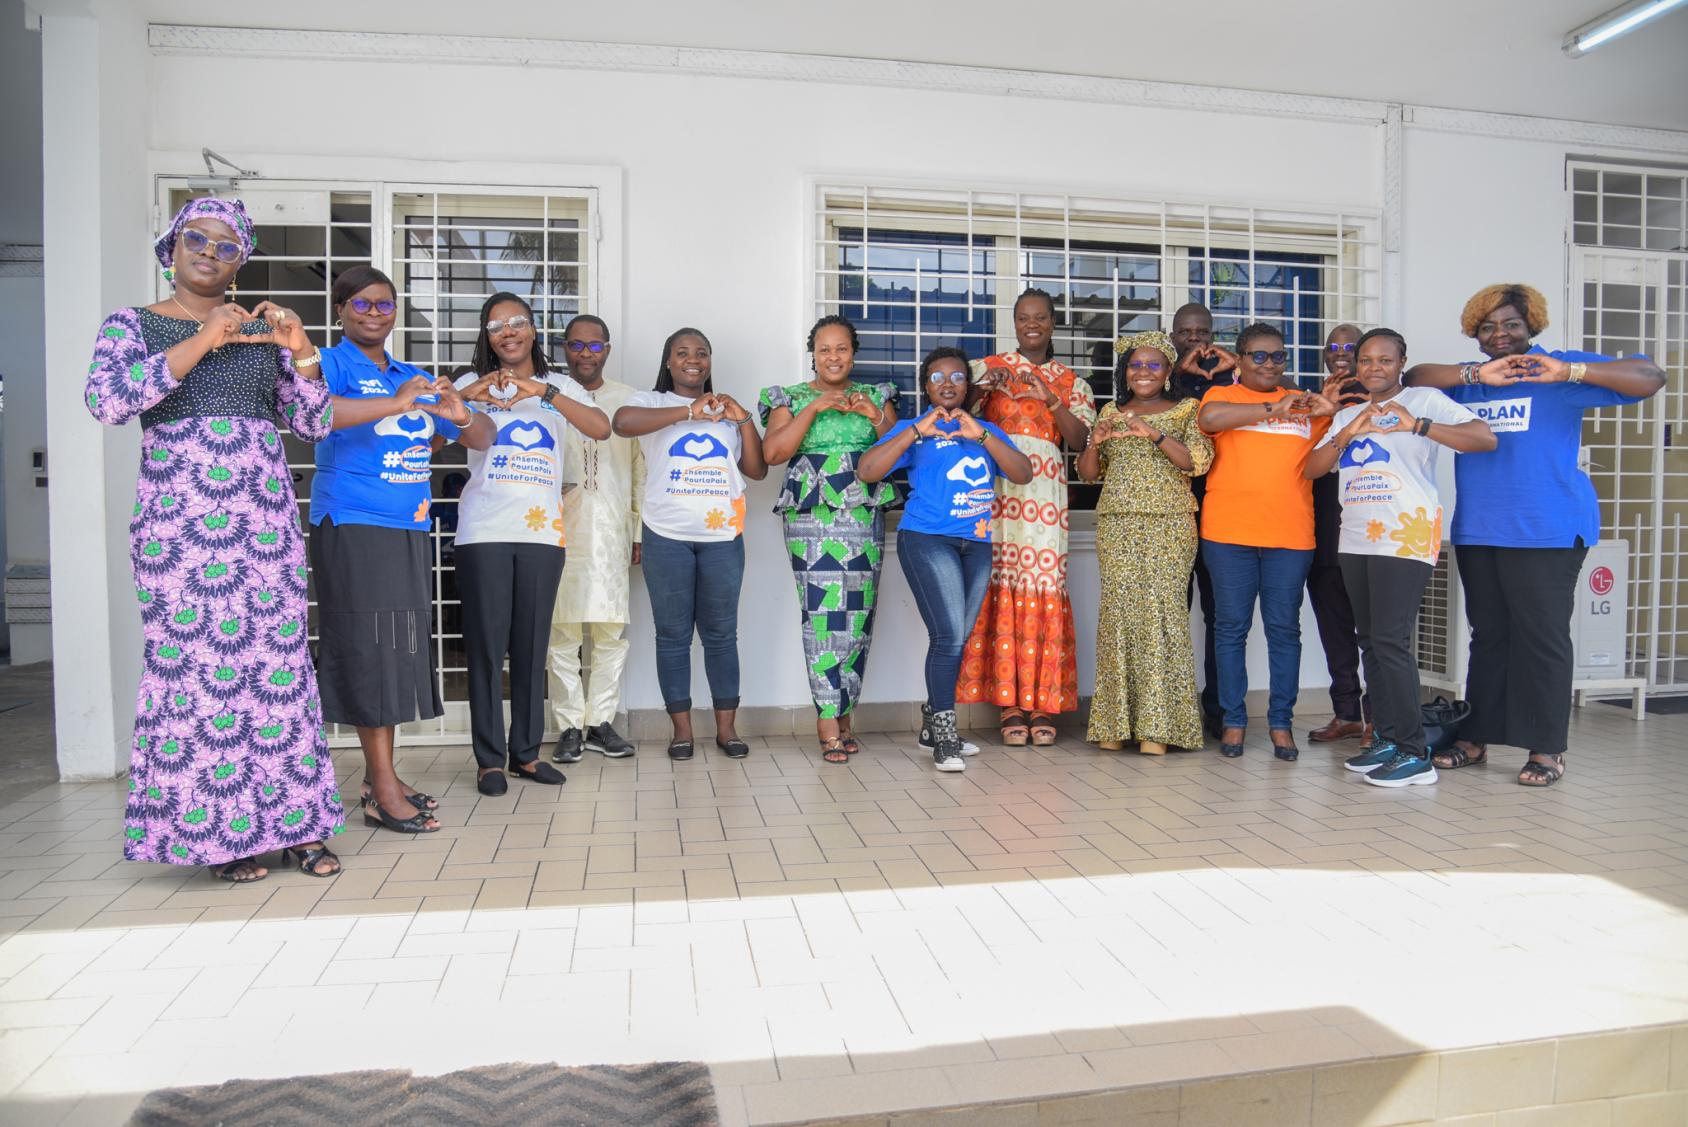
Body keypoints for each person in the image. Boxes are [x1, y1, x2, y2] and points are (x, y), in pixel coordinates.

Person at [85, 196, 342, 881]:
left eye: (227, 246)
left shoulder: (262, 333)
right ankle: (222, 837)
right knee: (200, 681)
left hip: (263, 529)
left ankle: (299, 825)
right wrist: (204, 337)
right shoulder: (133, 324)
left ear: (241, 260)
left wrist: (303, 350)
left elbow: (313, 422)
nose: (209, 251)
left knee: (280, 673)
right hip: (181, 535)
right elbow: (107, 400)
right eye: (197, 238)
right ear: (172, 246)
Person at [1404, 283, 1665, 787]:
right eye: (1487, 328)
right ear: (1475, 337)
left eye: (1511, 325)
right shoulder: (1471, 382)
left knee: (1542, 638)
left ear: (1531, 328)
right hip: (1480, 529)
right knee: (1489, 637)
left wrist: (1570, 370)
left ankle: (1547, 748)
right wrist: (1477, 373)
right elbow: (1414, 376)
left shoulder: (1558, 371)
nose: (1499, 335)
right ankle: (1475, 736)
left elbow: (1650, 376)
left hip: (1549, 528)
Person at [311, 264, 494, 833]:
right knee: (369, 649)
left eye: (384, 305)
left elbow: (482, 437)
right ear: (340, 310)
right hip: (352, 522)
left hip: (408, 525)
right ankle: (381, 787)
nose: (373, 313)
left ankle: (380, 775)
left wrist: (458, 412)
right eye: (361, 304)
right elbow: (313, 417)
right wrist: (397, 403)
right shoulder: (326, 364)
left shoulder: (412, 372)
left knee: (396, 648)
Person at [1305, 329, 1495, 787]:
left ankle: (1415, 752)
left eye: (1384, 360)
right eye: (1365, 360)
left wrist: (1417, 425)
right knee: (1369, 640)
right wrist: (1350, 428)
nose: (1374, 367)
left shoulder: (1425, 399)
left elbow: (1482, 438)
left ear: (1401, 362)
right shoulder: (1348, 413)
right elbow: (1311, 469)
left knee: (1391, 641)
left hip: (1405, 537)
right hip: (1356, 538)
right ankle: (1387, 739)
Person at [449, 294, 610, 796]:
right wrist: (473, 392)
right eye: (497, 325)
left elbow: (600, 428)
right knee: (485, 647)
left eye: (517, 321)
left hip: (543, 533)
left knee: (531, 646)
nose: (508, 331)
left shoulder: (558, 387)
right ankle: (489, 759)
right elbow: (428, 437)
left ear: (534, 330)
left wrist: (539, 392)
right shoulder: (465, 387)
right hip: (483, 530)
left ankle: (525, 754)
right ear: (487, 335)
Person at [857, 347, 1033, 772]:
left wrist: (983, 436)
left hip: (975, 544)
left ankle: (932, 725)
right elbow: (868, 470)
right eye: (937, 378)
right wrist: (917, 432)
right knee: (949, 637)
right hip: (926, 540)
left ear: (967, 386)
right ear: (925, 387)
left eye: (956, 376)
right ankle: (945, 733)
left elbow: (1023, 473)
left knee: (957, 637)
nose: (948, 384)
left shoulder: (985, 429)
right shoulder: (910, 429)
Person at [612, 328, 766, 761]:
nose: (692, 359)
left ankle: (726, 731)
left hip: (722, 537)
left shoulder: (727, 412)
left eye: (701, 353)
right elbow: (621, 424)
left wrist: (743, 419)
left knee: (721, 636)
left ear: (710, 362)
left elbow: (755, 470)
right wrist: (687, 411)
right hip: (667, 534)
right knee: (673, 636)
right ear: (668, 361)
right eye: (682, 353)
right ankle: (681, 732)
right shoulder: (652, 402)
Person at [759, 315, 898, 764]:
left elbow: (897, 452)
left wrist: (872, 416)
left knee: (857, 615)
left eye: (841, 348)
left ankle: (845, 710)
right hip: (811, 516)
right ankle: (825, 713)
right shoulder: (791, 397)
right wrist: (814, 409)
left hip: (861, 513)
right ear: (813, 354)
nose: (833, 357)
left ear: (853, 353)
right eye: (824, 349)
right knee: (821, 614)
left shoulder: (876, 396)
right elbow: (774, 453)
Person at [959, 288, 1095, 746]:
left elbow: (1080, 443)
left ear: (1052, 324)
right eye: (1023, 317)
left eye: (1040, 317)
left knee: (1042, 589)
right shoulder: (988, 368)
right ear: (1014, 323)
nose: (1031, 324)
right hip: (996, 495)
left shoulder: (1072, 382)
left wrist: (1052, 400)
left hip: (1047, 498)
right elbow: (955, 414)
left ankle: (1041, 704)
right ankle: (1010, 704)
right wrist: (980, 391)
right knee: (1001, 589)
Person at [1197, 322, 1336, 761]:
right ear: (1239, 360)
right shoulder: (1224, 398)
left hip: (1290, 534)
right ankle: (1234, 721)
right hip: (1228, 533)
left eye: (1278, 356)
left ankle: (1280, 723)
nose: (1270, 363)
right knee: (1230, 629)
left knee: (1283, 630)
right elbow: (1209, 420)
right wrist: (1275, 410)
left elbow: (1324, 453)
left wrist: (1327, 410)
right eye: (1259, 355)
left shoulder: (1306, 407)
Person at [1076, 331, 1213, 755]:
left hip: (1169, 524)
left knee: (1162, 616)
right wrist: (1094, 443)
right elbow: (1086, 474)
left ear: (1169, 371)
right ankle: (1115, 723)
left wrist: (1151, 433)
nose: (1143, 372)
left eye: (1154, 365)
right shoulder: (1110, 411)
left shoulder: (1189, 410)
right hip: (1117, 523)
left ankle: (1160, 727)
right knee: (1118, 616)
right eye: (1136, 364)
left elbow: (1196, 463)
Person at [546, 314, 644, 765]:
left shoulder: (626, 401)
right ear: (564, 348)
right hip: (557, 528)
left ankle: (600, 722)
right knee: (561, 633)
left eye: (595, 345)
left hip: (611, 529)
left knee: (610, 632)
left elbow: (640, 471)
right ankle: (568, 725)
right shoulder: (547, 397)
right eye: (577, 345)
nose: (586, 354)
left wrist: (638, 529)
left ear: (608, 348)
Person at [1169, 302, 1238, 740]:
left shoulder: (1232, 381)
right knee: (1173, 613)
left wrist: (1232, 374)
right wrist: (1178, 372)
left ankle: (1218, 709)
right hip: (1171, 515)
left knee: (1221, 616)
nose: (1195, 339)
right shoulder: (1162, 380)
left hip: (1221, 514)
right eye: (1186, 332)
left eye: (1203, 332)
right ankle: (1173, 710)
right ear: (1173, 336)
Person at [1306, 324, 1373, 744]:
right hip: (1325, 535)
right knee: (1335, 632)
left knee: (1375, 632)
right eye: (1335, 346)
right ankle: (1347, 713)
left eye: (1352, 347)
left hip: (1376, 535)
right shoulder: (1315, 403)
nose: (1342, 353)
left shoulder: (1391, 402)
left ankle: (1378, 718)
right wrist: (1326, 410)